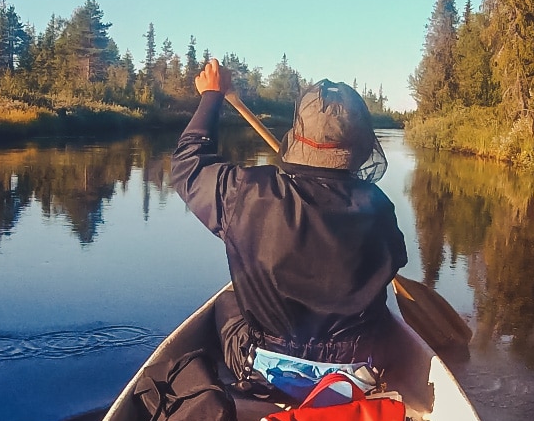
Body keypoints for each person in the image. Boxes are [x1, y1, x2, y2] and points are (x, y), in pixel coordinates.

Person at [171, 59, 408, 389]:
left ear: (297, 136)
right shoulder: (379, 207)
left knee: (227, 303)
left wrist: (212, 95)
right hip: (357, 376)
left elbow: (188, 164)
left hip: (266, 375)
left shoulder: (247, 193)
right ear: (360, 145)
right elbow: (395, 259)